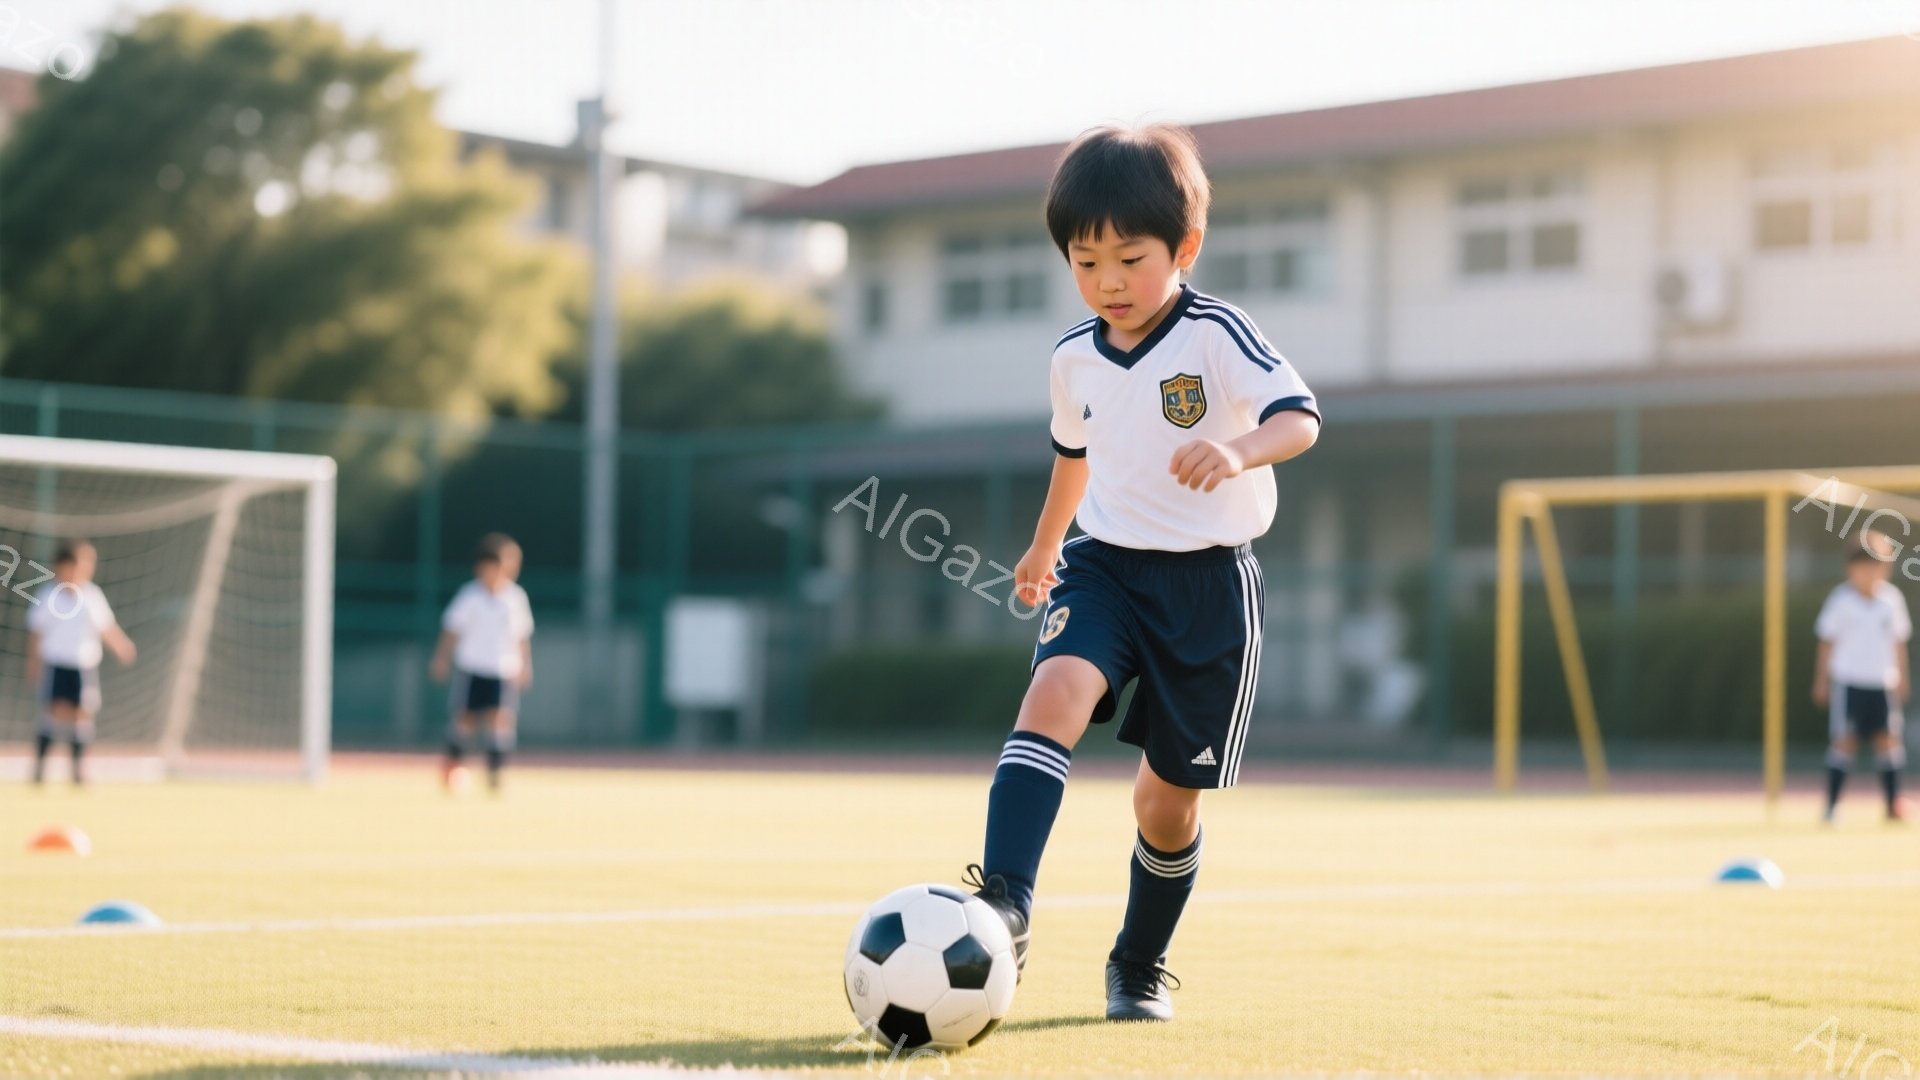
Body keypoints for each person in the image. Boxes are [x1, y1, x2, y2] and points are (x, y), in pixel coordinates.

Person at [963, 123, 1321, 1022]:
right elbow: (1074, 456)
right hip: (1104, 569)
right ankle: (1006, 904)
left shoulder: (1218, 334)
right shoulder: (1072, 357)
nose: (1108, 282)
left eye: (1130, 257)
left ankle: (1139, 961)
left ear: (1184, 249)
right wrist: (1046, 547)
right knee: (1054, 694)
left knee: (1166, 807)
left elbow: (1301, 417)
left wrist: (1237, 451)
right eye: (1086, 263)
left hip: (1208, 591)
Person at [1814, 532, 1911, 824]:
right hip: (1849, 682)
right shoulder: (1841, 601)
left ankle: (1892, 804)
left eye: (1877, 566)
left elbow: (1898, 642)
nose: (1870, 573)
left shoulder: (1891, 600)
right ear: (1851, 569)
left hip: (1882, 683)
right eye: (1864, 566)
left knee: (1889, 741)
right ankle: (1831, 806)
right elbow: (1826, 641)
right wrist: (1822, 679)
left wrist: (1902, 677)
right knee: (1845, 741)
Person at [28, 539, 136, 786]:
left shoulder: (92, 595)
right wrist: (34, 661)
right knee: (52, 712)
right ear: (61, 567)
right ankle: (40, 768)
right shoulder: (47, 595)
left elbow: (105, 627)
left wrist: (121, 645)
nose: (84, 569)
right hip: (56, 662)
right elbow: (36, 632)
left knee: (82, 715)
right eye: (78, 564)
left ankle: (78, 770)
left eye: (87, 564)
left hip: (82, 664)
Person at [432, 533, 534, 792]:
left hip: (502, 669)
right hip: (472, 667)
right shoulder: (470, 596)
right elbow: (452, 629)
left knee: (500, 719)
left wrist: (525, 664)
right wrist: (442, 657)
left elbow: (521, 635)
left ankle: (495, 774)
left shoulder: (515, 598)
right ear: (483, 567)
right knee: (464, 719)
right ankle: (452, 766)